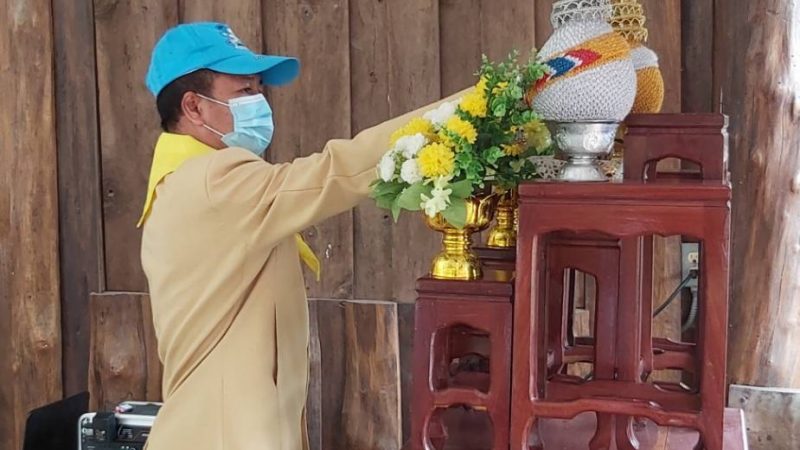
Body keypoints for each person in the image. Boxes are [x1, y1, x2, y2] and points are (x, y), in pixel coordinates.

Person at [138, 22, 465, 450]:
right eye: (244, 90)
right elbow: (333, 173)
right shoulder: (212, 180)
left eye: (259, 89)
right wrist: (464, 113)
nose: (259, 102)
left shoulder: (182, 181)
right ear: (194, 107)